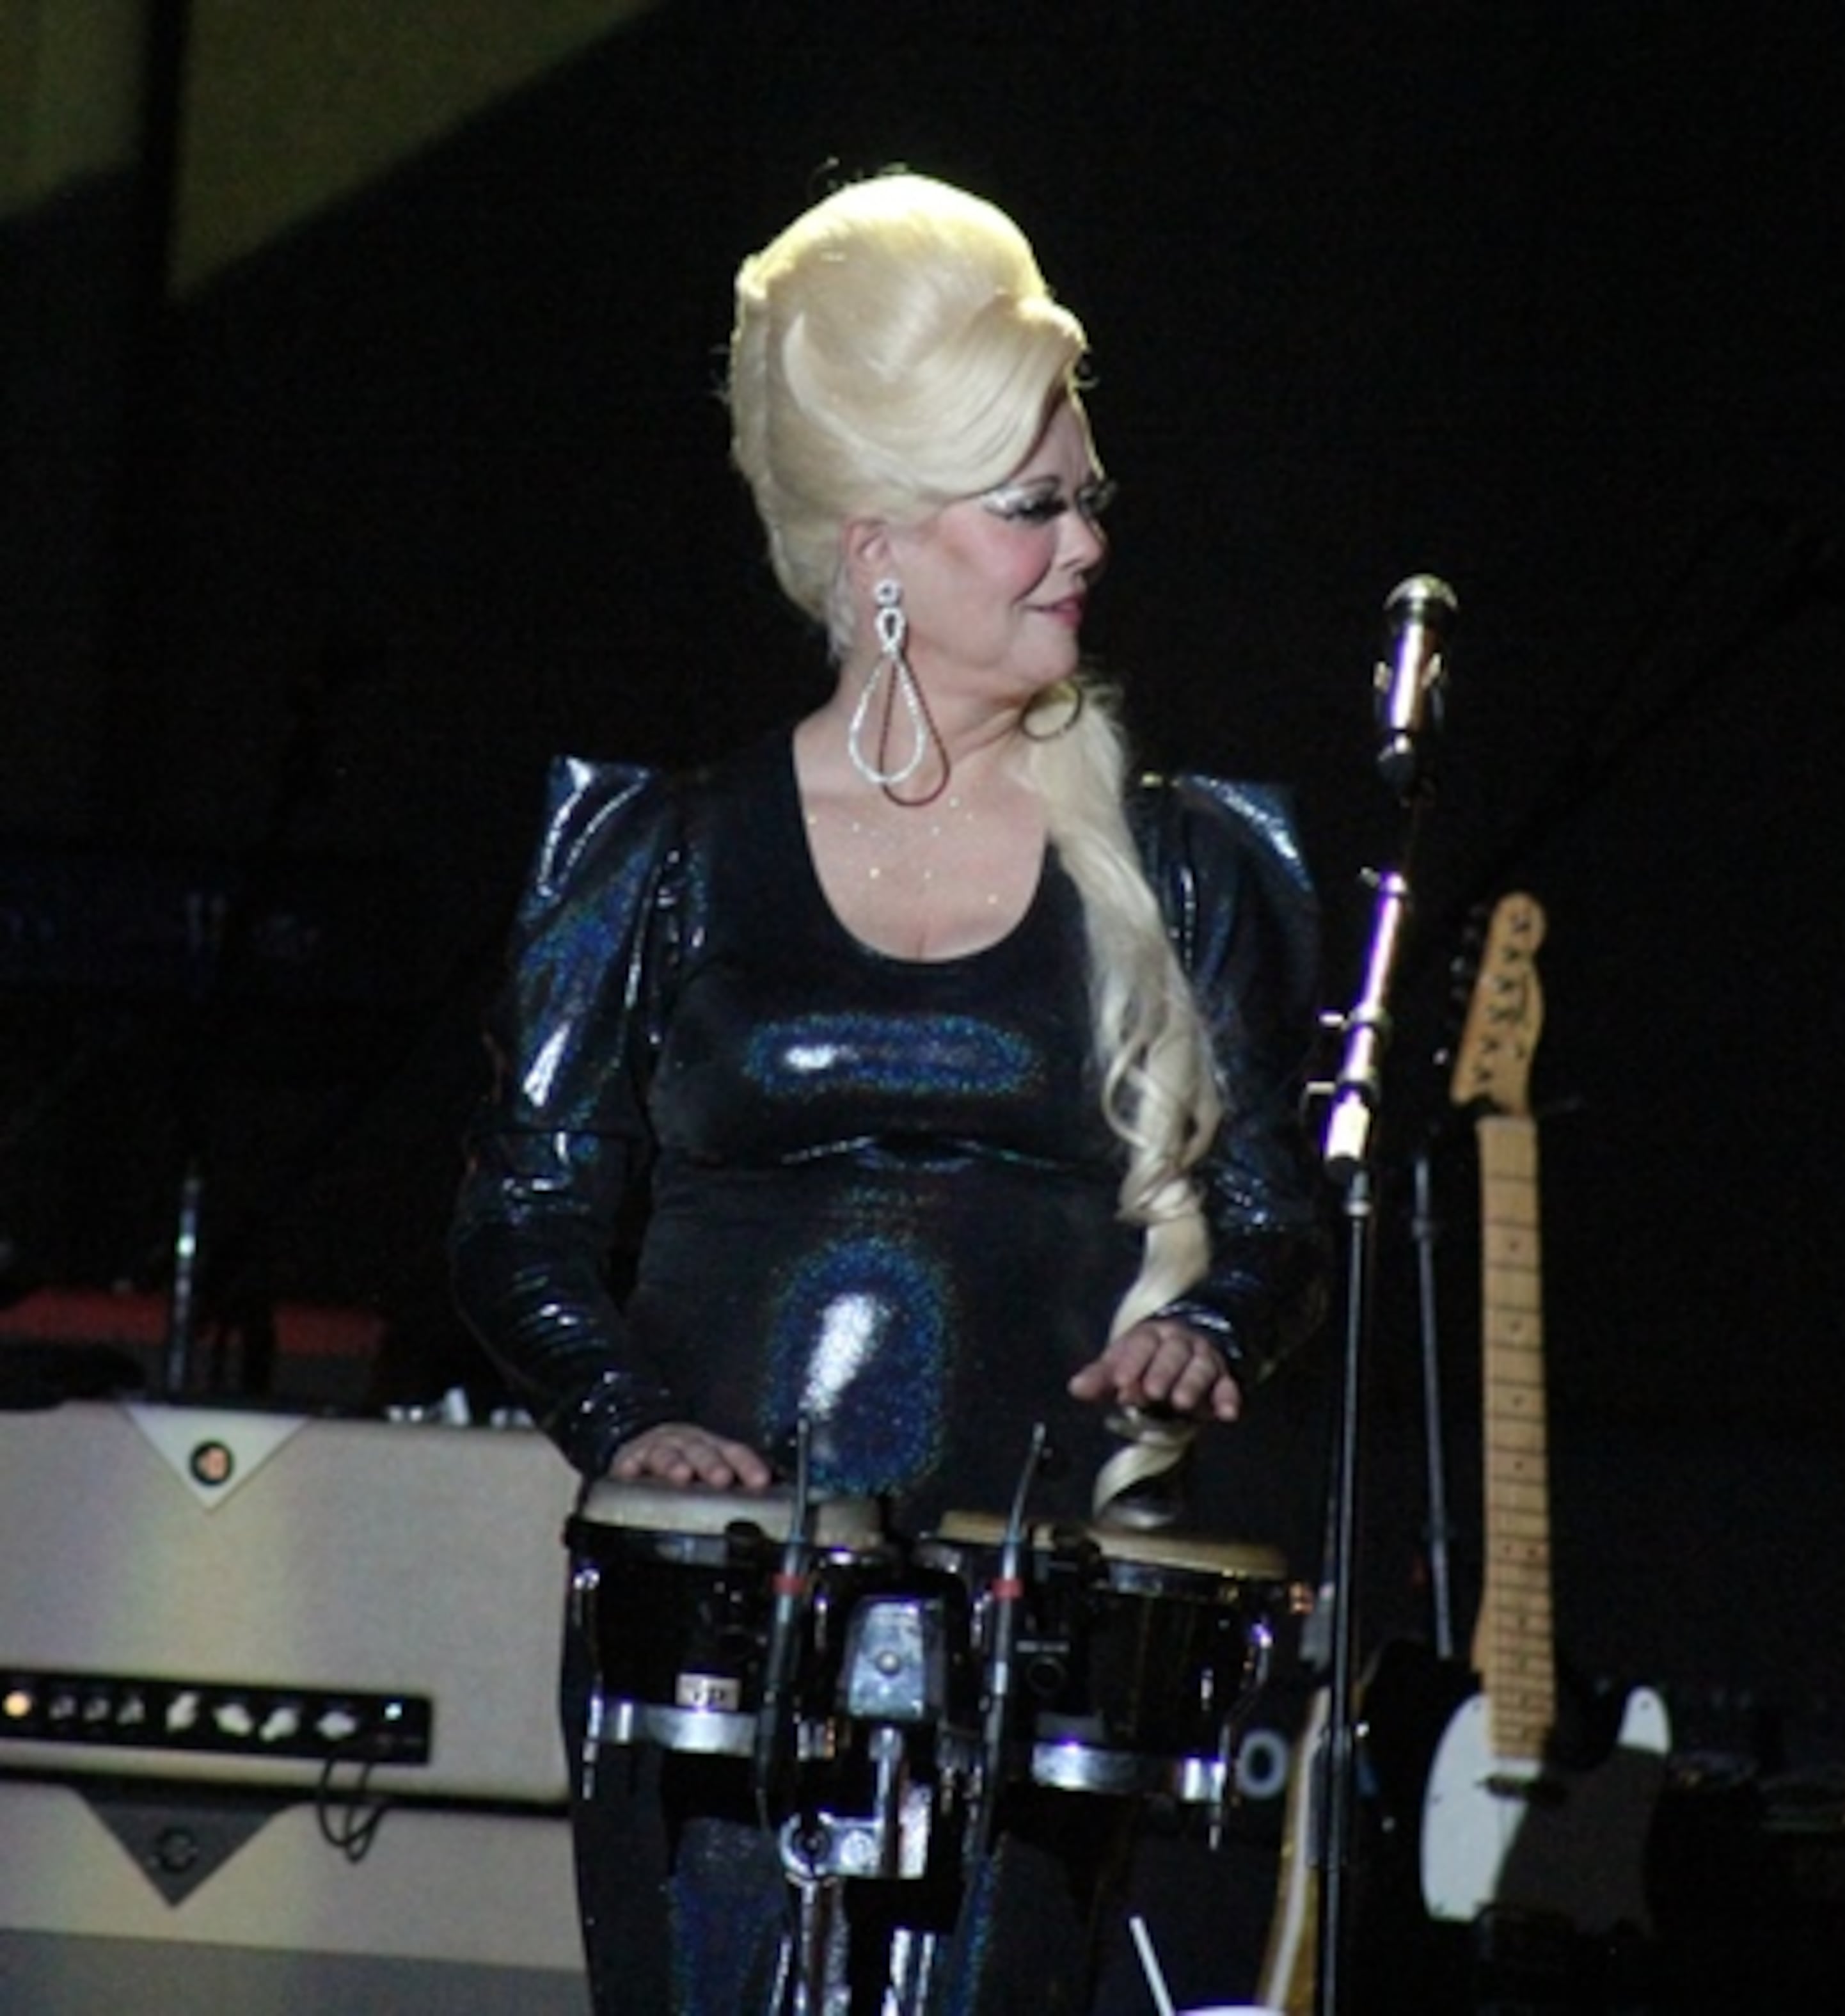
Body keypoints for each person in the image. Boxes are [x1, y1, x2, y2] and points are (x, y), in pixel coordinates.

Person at [446, 172, 1325, 2013]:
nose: (1083, 542)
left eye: (1088, 498)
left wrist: (1217, 1322)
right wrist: (626, 1420)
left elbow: (1270, 1213)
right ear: (878, 552)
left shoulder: (1184, 870)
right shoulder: (662, 854)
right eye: (1031, 508)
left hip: (1049, 1624)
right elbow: (522, 1219)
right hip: (714, 1628)